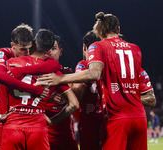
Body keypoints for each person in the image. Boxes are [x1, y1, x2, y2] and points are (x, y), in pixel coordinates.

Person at [36, 12, 153, 150]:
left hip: (114, 118)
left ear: (99, 32)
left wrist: (60, 80)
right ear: (118, 29)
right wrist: (128, 95)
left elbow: (93, 74)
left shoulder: (97, 49)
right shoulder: (135, 50)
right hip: (139, 117)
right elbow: (150, 99)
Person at [0, 24, 61, 150]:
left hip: (13, 122)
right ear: (13, 46)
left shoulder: (12, 64)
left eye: (29, 48)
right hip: (9, 119)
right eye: (23, 49)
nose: (27, 52)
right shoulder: (4, 54)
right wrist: (35, 90)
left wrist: (22, 70)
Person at [1, 29, 79, 150]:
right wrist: (52, 121)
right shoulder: (54, 72)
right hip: (38, 127)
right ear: (47, 50)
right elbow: (74, 104)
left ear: (33, 44)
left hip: (13, 124)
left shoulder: (11, 63)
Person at [72, 31, 106, 150]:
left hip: (89, 123)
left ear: (85, 47)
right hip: (108, 122)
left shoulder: (83, 64)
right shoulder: (108, 66)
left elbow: (77, 94)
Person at [45, 35, 79, 150]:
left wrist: (68, 94)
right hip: (42, 136)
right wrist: (49, 97)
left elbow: (76, 98)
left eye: (53, 48)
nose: (49, 52)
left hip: (65, 136)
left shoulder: (67, 73)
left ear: (60, 52)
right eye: (47, 48)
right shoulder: (34, 74)